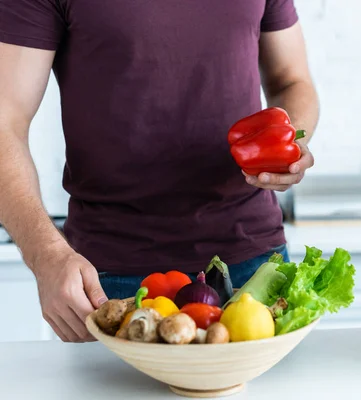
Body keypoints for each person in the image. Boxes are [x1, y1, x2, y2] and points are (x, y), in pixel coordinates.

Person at [0, 0, 319, 343]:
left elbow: (292, 80)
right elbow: (5, 121)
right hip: (110, 283)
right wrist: (45, 254)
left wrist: (289, 143)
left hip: (254, 263)